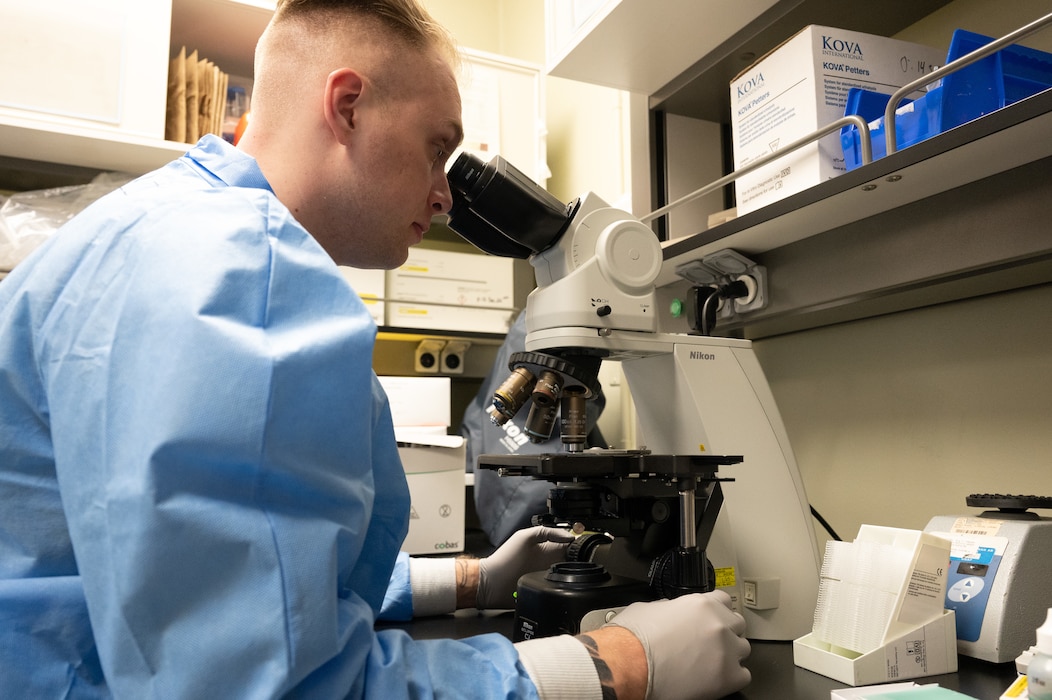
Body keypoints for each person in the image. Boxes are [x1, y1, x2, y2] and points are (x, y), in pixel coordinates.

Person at [0, 1, 751, 698]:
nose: (446, 196)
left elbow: (214, 577)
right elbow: (267, 683)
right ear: (347, 105)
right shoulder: (243, 273)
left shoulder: (160, 225)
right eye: (437, 149)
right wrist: (611, 664)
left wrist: (469, 579)